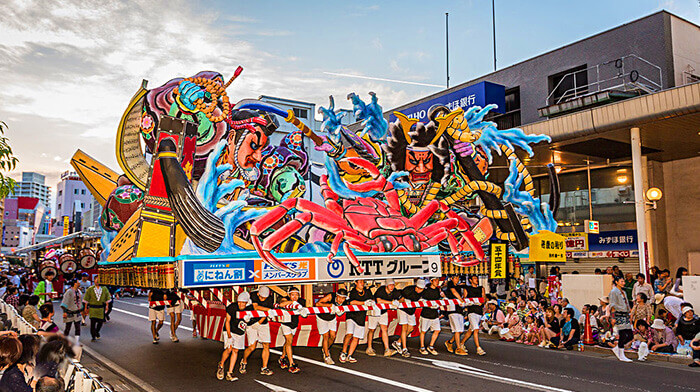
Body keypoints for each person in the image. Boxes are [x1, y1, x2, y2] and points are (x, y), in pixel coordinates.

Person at [217, 291, 252, 382]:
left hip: (240, 331)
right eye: (239, 302)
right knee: (229, 349)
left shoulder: (249, 308)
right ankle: (221, 365)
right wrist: (229, 336)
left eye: (243, 302)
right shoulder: (232, 307)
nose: (240, 304)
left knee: (235, 350)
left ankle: (230, 372)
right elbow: (227, 321)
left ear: (247, 302)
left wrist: (249, 319)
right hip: (230, 329)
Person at [241, 286, 275, 375]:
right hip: (251, 323)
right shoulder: (253, 295)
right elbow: (256, 307)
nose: (263, 299)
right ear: (258, 294)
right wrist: (268, 310)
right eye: (261, 297)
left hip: (263, 323)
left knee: (266, 345)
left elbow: (267, 314)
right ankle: (244, 361)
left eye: (265, 298)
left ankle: (264, 367)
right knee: (252, 347)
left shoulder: (270, 298)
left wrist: (260, 322)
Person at [340, 280, 372, 364]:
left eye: (363, 282)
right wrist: (364, 303)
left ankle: (350, 355)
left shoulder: (368, 291)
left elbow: (372, 300)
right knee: (349, 334)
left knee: (356, 337)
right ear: (356, 283)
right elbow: (351, 302)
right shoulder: (353, 292)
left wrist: (372, 303)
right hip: (352, 315)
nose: (362, 283)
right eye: (360, 282)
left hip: (361, 316)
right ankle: (343, 352)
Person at [391, 279, 425, 358]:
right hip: (402, 309)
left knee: (411, 328)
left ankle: (398, 342)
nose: (419, 290)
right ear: (416, 287)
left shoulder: (422, 293)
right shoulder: (408, 290)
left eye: (421, 289)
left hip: (411, 311)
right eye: (418, 288)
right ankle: (404, 348)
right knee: (404, 328)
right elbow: (398, 293)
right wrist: (400, 299)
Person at [367, 279, 400, 357]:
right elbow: (379, 301)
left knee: (384, 329)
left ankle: (387, 349)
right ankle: (369, 348)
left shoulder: (394, 291)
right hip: (374, 312)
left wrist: (399, 301)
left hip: (384, 312)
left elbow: (400, 298)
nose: (392, 287)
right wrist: (391, 302)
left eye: (393, 285)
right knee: (372, 330)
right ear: (386, 285)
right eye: (390, 285)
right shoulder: (381, 290)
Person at [315, 288, 348, 364]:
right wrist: (330, 305)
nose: (341, 300)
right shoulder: (331, 296)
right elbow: (318, 304)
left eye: (343, 298)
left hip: (332, 318)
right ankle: (327, 356)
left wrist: (341, 311)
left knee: (333, 336)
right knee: (326, 336)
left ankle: (325, 349)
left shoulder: (345, 302)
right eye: (339, 297)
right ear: (336, 295)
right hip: (322, 317)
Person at [278, 287, 306, 373]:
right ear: (289, 295)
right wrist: (292, 302)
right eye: (292, 295)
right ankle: (291, 364)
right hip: (285, 322)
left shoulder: (301, 301)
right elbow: (281, 304)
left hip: (294, 323)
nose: (295, 297)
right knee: (289, 341)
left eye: (296, 295)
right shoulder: (285, 299)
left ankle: (282, 357)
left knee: (288, 342)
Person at [460, 274, 486, 356]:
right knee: (476, 329)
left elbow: (484, 298)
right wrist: (470, 302)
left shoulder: (481, 288)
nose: (476, 280)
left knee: (471, 330)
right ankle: (478, 348)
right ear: (470, 280)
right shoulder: (467, 288)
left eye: (476, 278)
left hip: (479, 311)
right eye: (474, 278)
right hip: (471, 311)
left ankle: (461, 343)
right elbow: (464, 299)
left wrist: (481, 302)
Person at [609, 275, 633, 362]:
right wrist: (613, 317)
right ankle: (621, 353)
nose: (623, 283)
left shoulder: (623, 292)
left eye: (624, 281)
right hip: (618, 314)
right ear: (616, 282)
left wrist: (629, 312)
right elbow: (612, 305)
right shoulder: (613, 292)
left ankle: (617, 348)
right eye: (621, 281)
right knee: (623, 334)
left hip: (625, 314)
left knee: (630, 335)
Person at [443, 275, 468, 356]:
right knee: (457, 330)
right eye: (456, 278)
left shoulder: (459, 287)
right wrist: (461, 299)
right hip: (452, 310)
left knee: (460, 330)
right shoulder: (450, 284)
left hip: (459, 309)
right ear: (452, 278)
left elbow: (463, 294)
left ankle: (449, 342)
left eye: (458, 278)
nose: (457, 280)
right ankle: (458, 348)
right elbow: (454, 292)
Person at [418, 276, 442, 356]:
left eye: (438, 280)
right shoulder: (426, 290)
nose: (437, 282)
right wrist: (429, 304)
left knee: (437, 330)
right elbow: (422, 301)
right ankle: (422, 347)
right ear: (431, 281)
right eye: (435, 280)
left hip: (435, 314)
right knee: (423, 331)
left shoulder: (438, 290)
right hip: (426, 313)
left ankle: (431, 346)